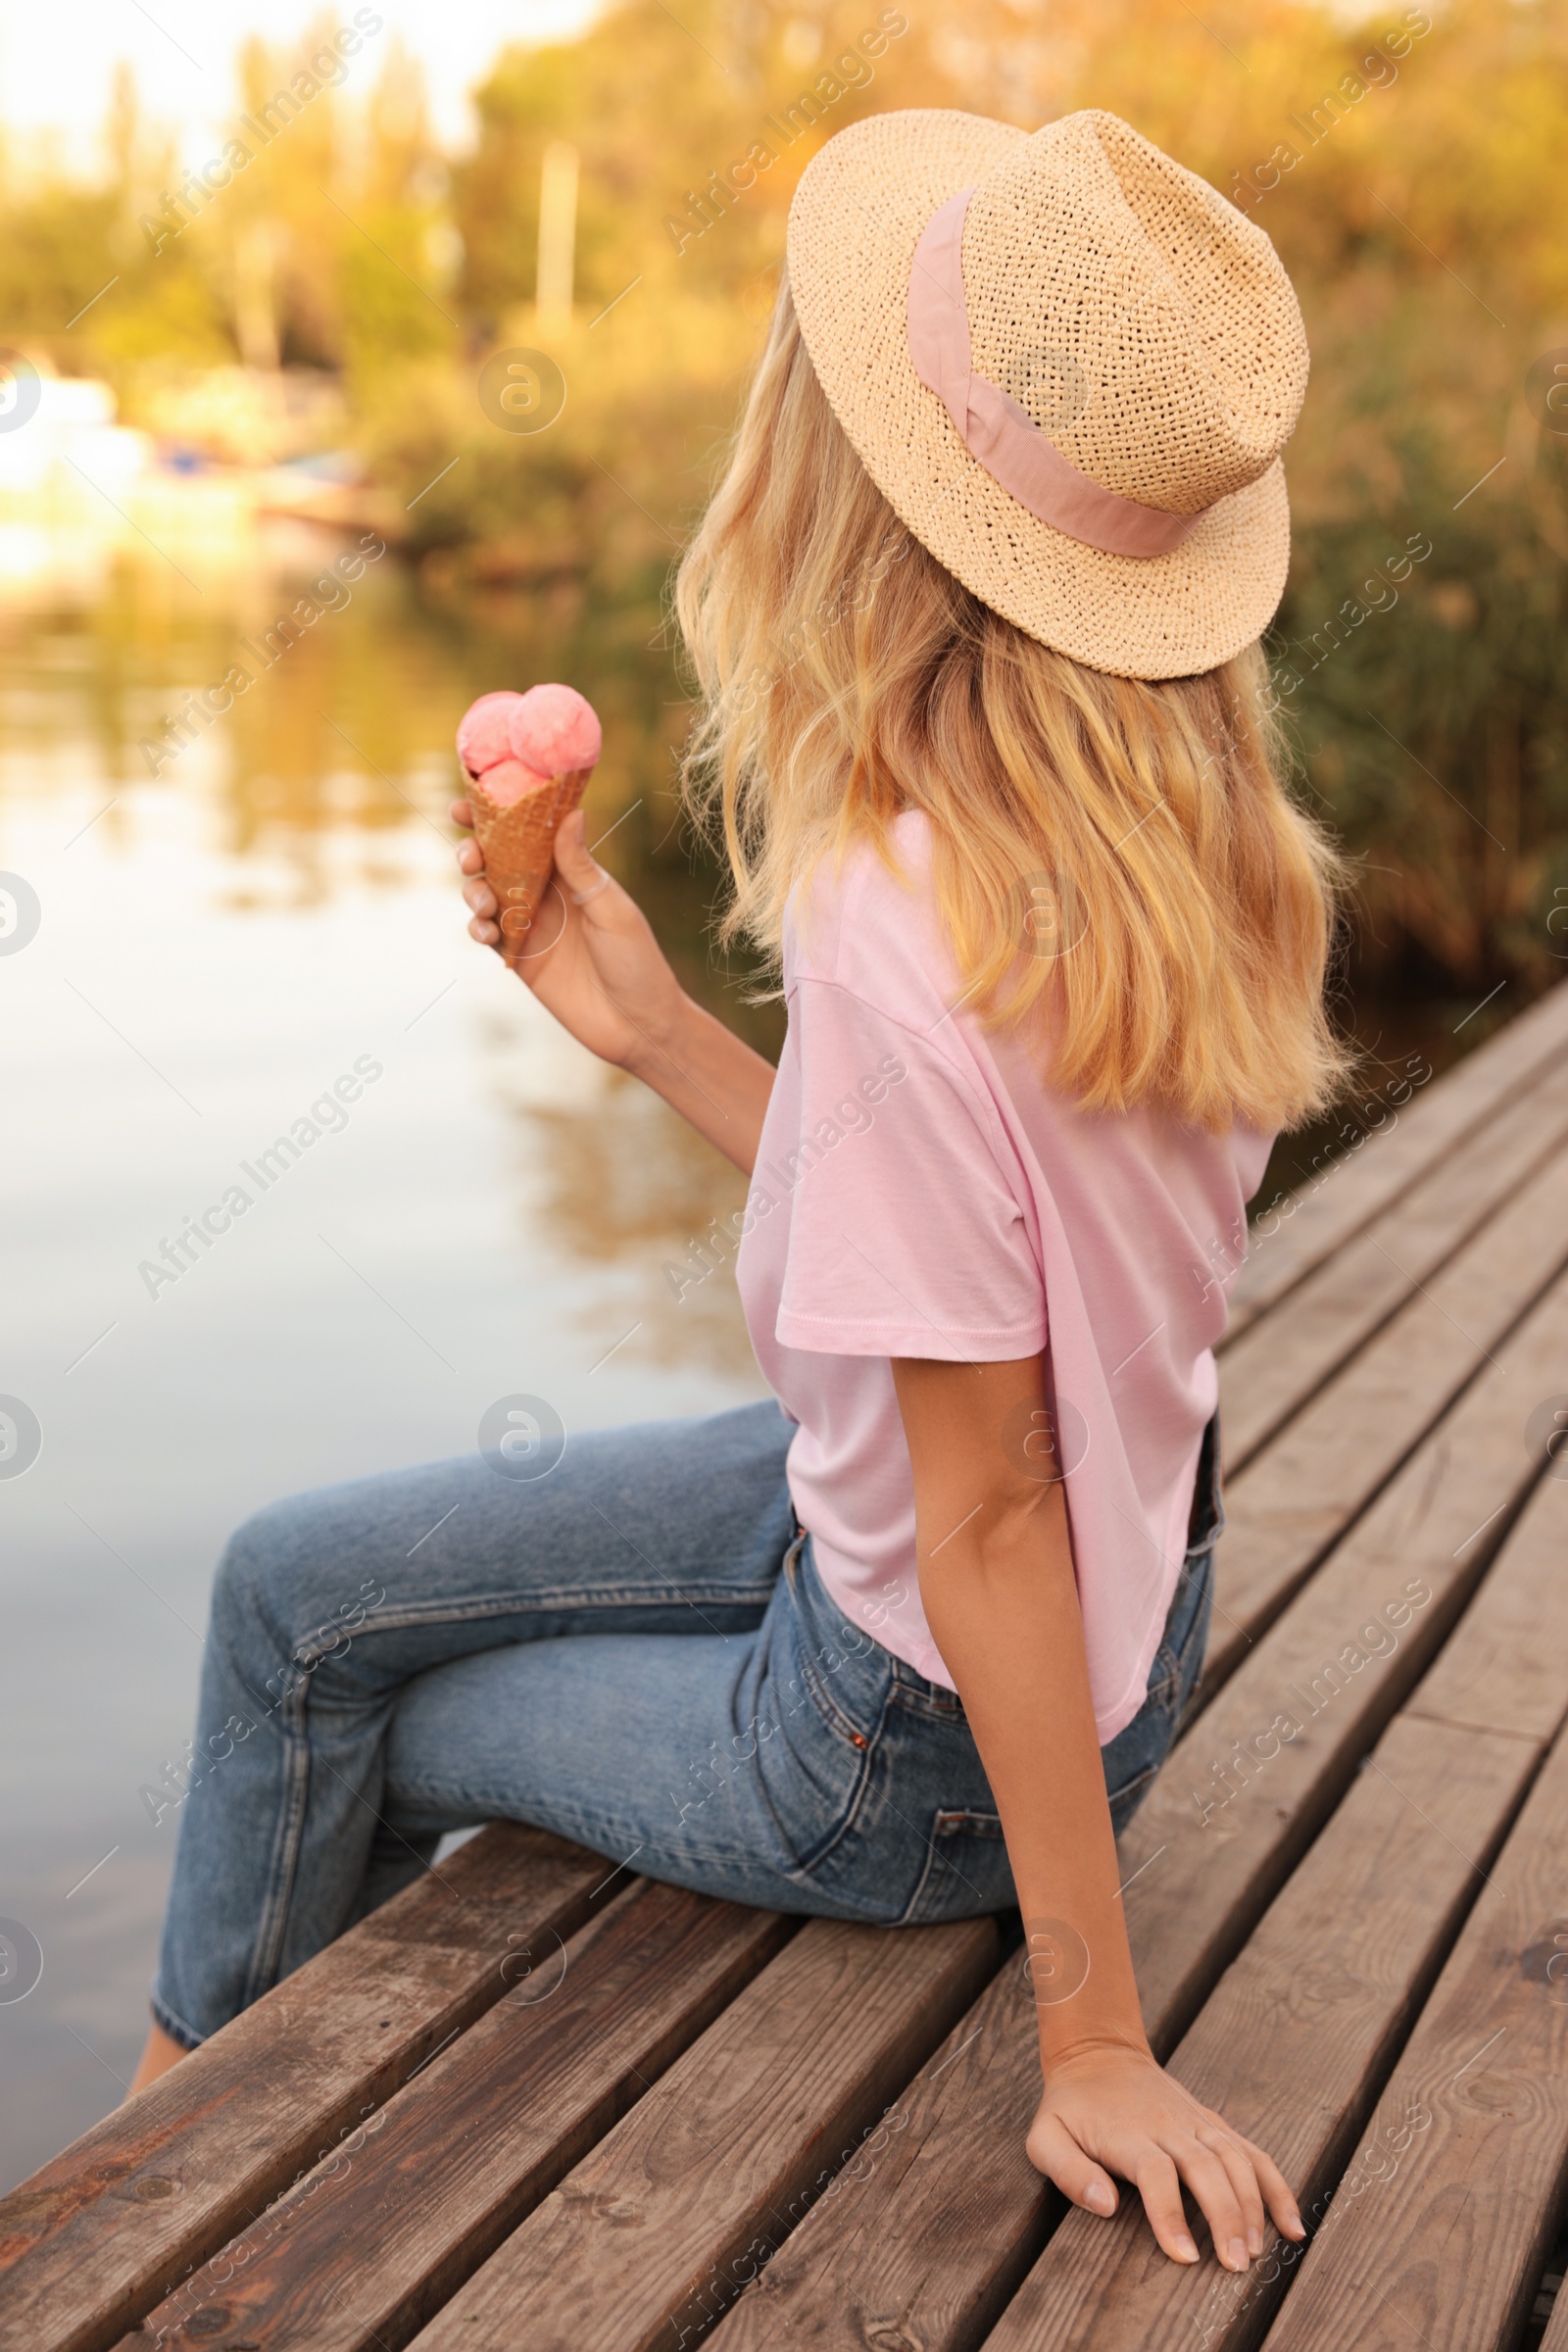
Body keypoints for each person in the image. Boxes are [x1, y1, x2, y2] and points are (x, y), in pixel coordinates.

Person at [131, 105, 1348, 2276]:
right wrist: (666, 1036)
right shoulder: (1227, 853)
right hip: (1108, 1628)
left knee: (347, 1693)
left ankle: (132, 2225)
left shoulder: (903, 907)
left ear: (865, 479)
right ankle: (148, 2166)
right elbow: (996, 1268)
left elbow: (985, 1504)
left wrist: (1094, 2044)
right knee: (280, 1584)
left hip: (900, 1747)